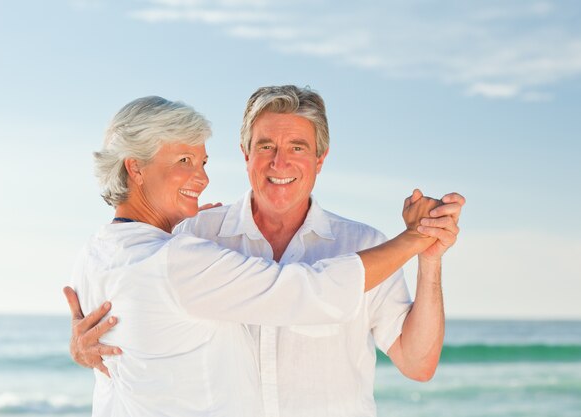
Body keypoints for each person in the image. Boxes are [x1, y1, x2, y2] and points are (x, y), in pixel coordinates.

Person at [69, 94, 445, 417]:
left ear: (320, 158)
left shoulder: (364, 244)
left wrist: (429, 254)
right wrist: (414, 237)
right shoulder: (188, 241)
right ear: (246, 154)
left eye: (297, 148)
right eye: (266, 146)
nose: (280, 162)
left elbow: (418, 364)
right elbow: (312, 292)